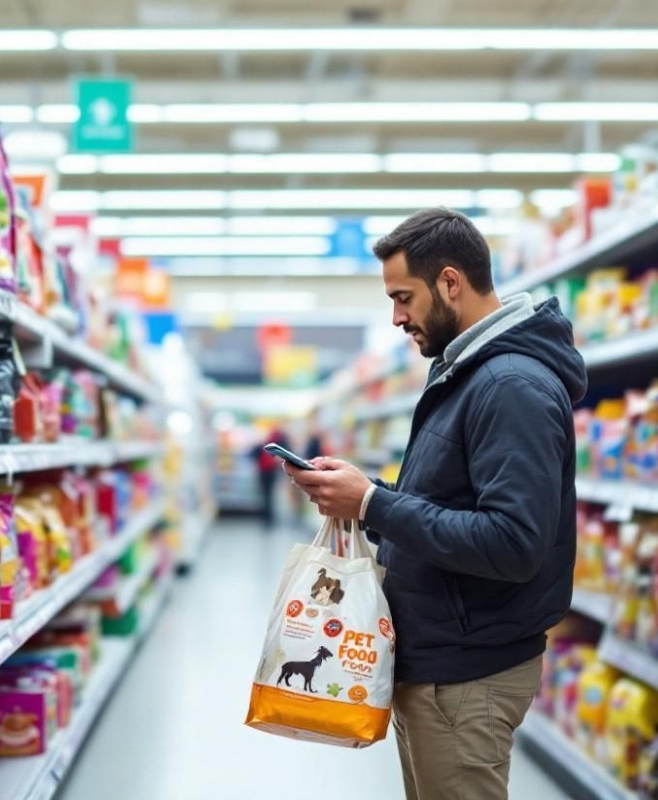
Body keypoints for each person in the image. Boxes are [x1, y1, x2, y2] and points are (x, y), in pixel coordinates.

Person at [287, 208, 587, 800]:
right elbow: (451, 505)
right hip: (443, 657)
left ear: (450, 282)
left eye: (404, 298)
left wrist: (373, 504)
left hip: (468, 672)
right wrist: (365, 497)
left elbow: (512, 542)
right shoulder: (467, 374)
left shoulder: (509, 386)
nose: (397, 318)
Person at [251, 426, 290, 529]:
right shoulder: (277, 444)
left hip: (263, 472)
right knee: (270, 494)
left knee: (265, 494)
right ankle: (269, 516)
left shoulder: (265, 444)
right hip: (270, 472)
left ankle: (266, 516)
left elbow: (253, 454)